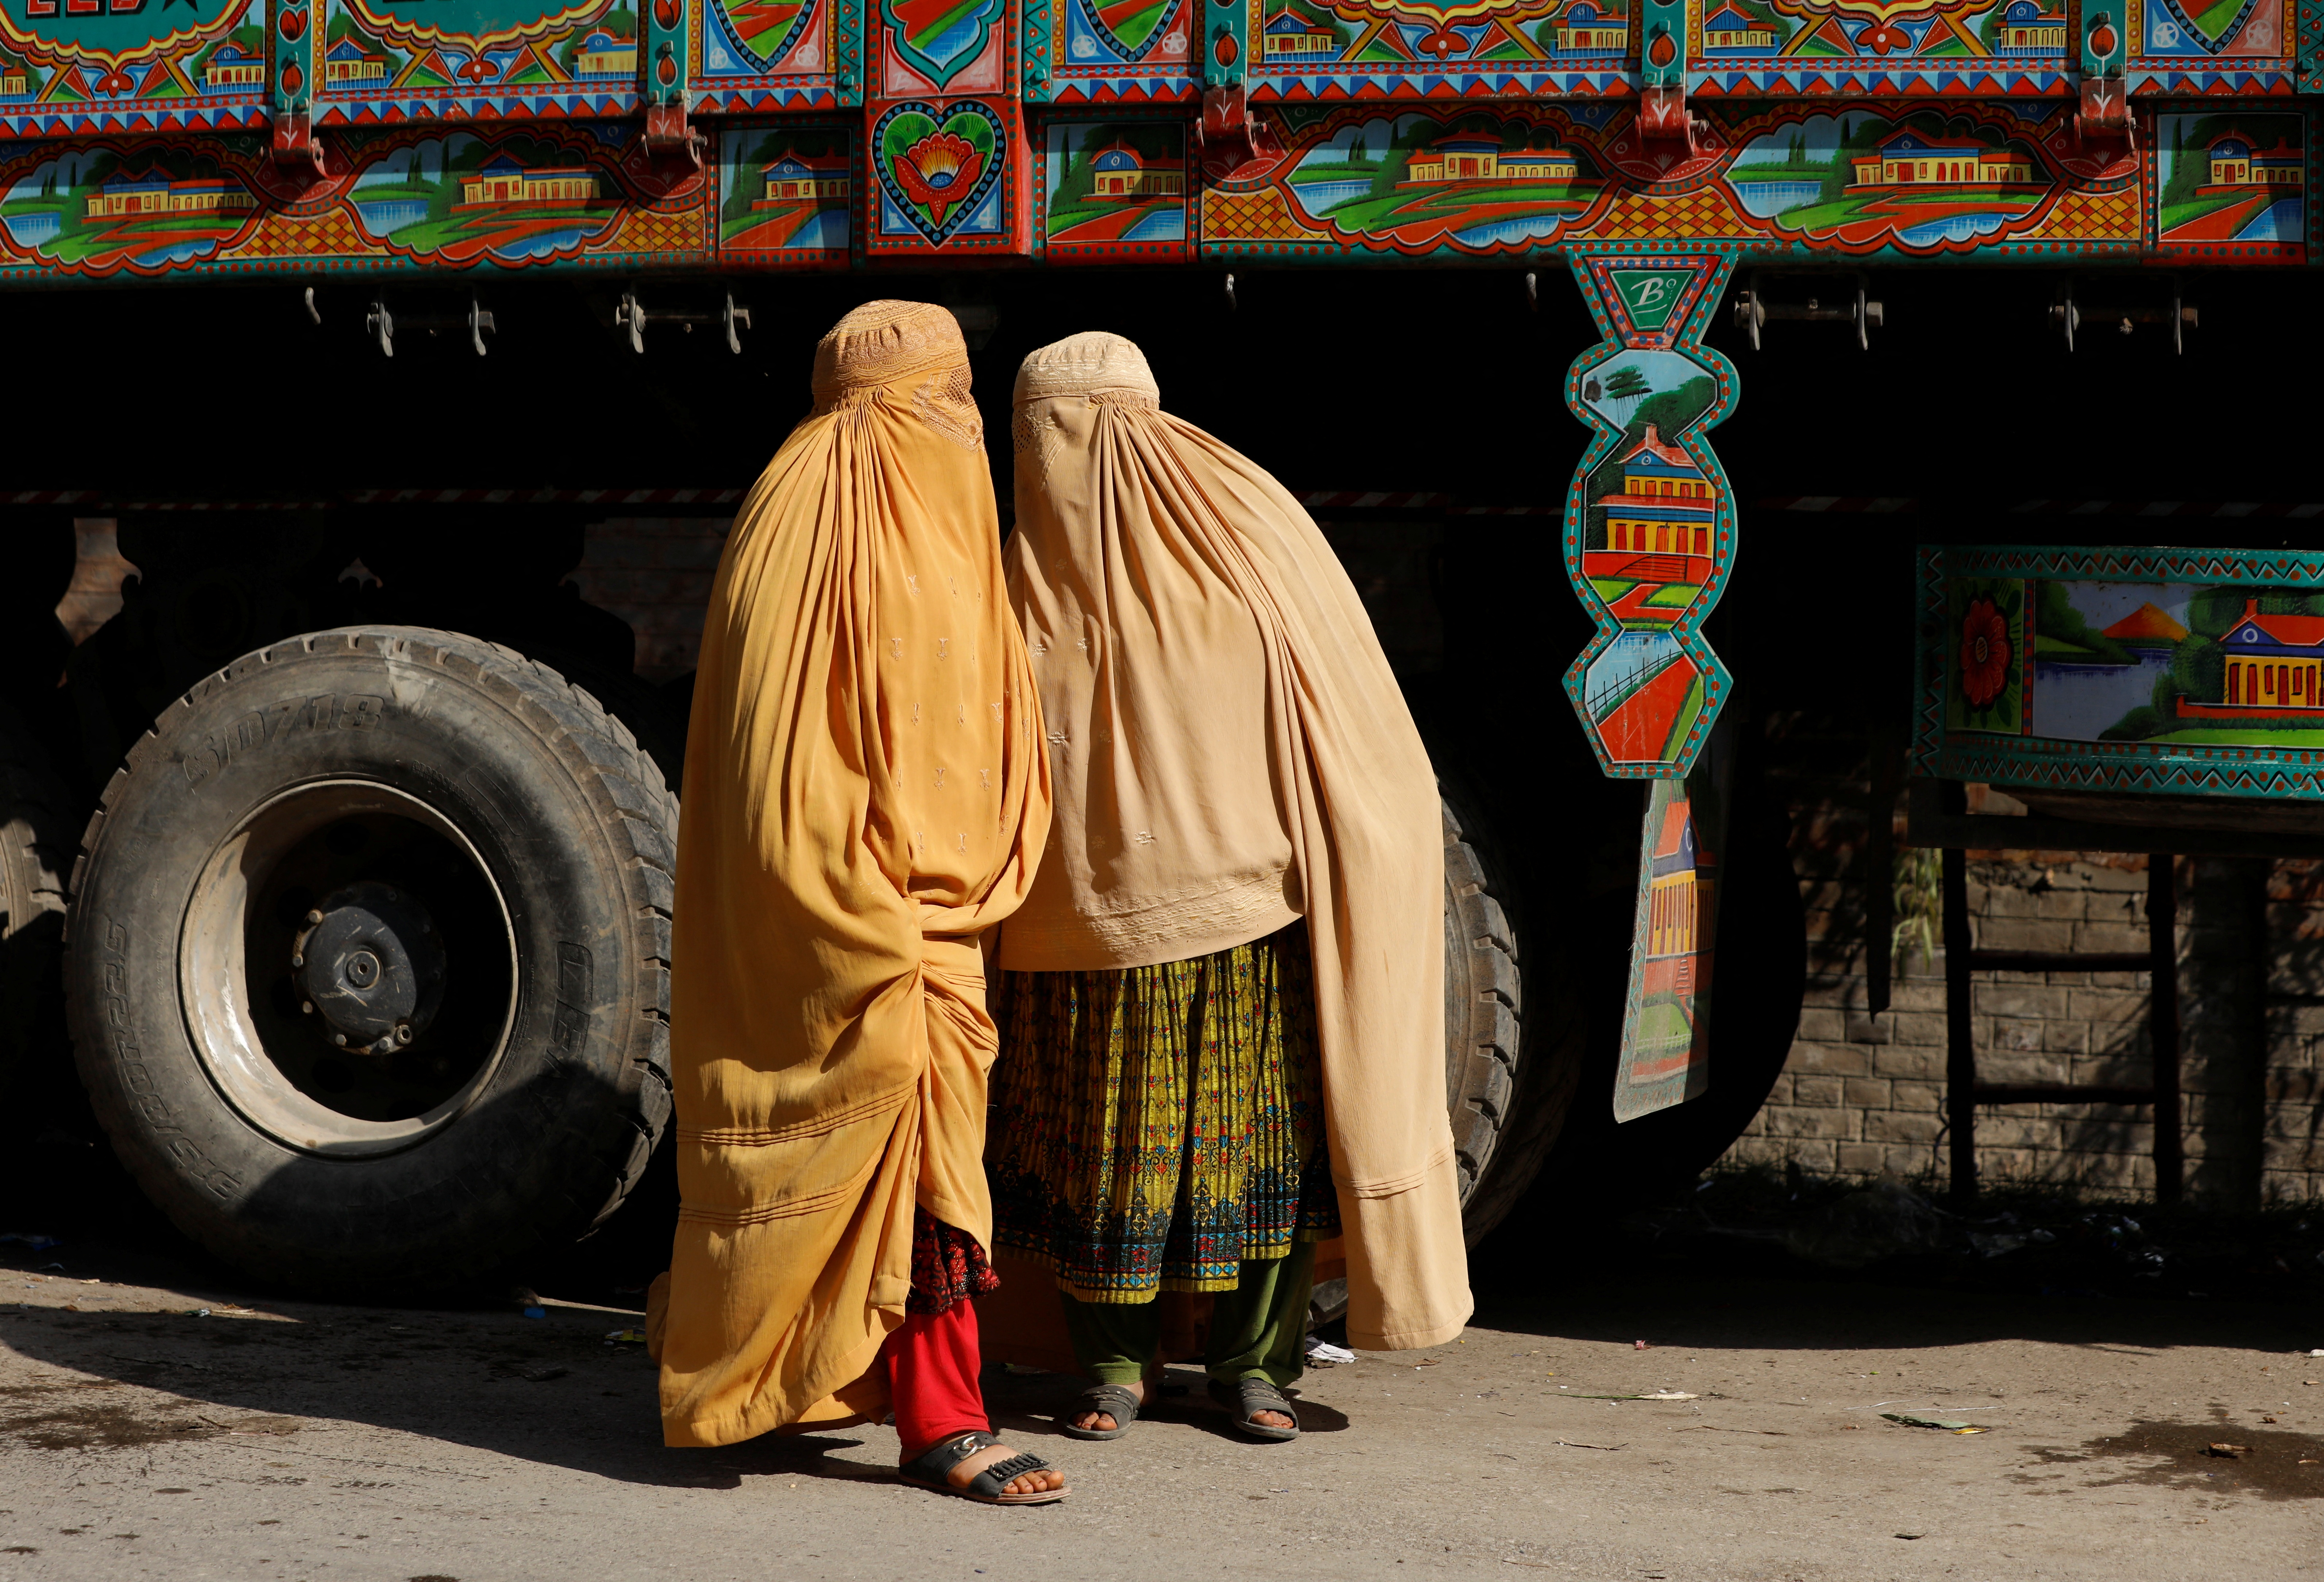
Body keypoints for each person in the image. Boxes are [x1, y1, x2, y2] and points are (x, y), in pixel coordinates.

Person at [986, 332, 1470, 1443]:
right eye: (1040, 438)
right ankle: (1109, 1367)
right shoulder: (1011, 572)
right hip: (1076, 930)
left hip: (1247, 919)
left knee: (1258, 1162)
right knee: (1095, 1163)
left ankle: (1256, 1366)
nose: (1059, 462)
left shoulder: (1247, 532)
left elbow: (1344, 714)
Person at [654, 301, 1067, 1505]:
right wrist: (875, 923)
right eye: (944, 401)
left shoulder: (925, 519)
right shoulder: (808, 527)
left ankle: (775, 1372)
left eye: (965, 403)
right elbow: (775, 772)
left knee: (896, 1180)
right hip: (871, 926)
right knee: (922, 1177)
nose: (960, 427)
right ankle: (946, 1421)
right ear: (897, 405)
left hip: (943, 916)